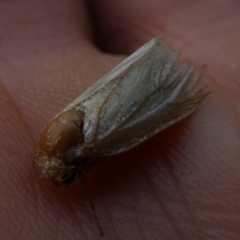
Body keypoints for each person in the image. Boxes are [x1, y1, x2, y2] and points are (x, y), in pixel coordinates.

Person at [0, 0, 239, 239]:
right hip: (97, 110)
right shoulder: (54, 139)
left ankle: (177, 76)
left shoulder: (78, 147)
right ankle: (170, 67)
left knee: (146, 100)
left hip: (108, 123)